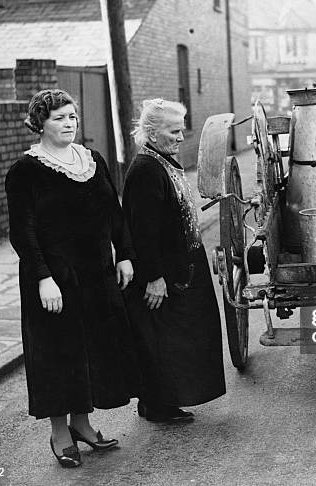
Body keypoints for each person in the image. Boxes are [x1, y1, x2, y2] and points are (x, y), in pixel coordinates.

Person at [5, 89, 140, 467]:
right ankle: (60, 432)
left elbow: (113, 212)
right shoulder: (25, 171)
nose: (69, 124)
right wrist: (43, 277)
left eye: (73, 117)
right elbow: (23, 231)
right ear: (40, 124)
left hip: (96, 273)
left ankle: (82, 424)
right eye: (59, 118)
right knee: (58, 352)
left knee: (94, 348)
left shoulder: (92, 160)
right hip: (54, 278)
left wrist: (125, 254)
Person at [123, 98, 225, 423]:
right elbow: (142, 231)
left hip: (179, 268)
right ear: (152, 134)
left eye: (182, 130)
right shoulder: (145, 170)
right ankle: (157, 405)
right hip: (162, 273)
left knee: (178, 337)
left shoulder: (162, 161)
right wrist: (153, 277)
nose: (181, 137)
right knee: (163, 341)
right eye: (174, 131)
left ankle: (161, 400)